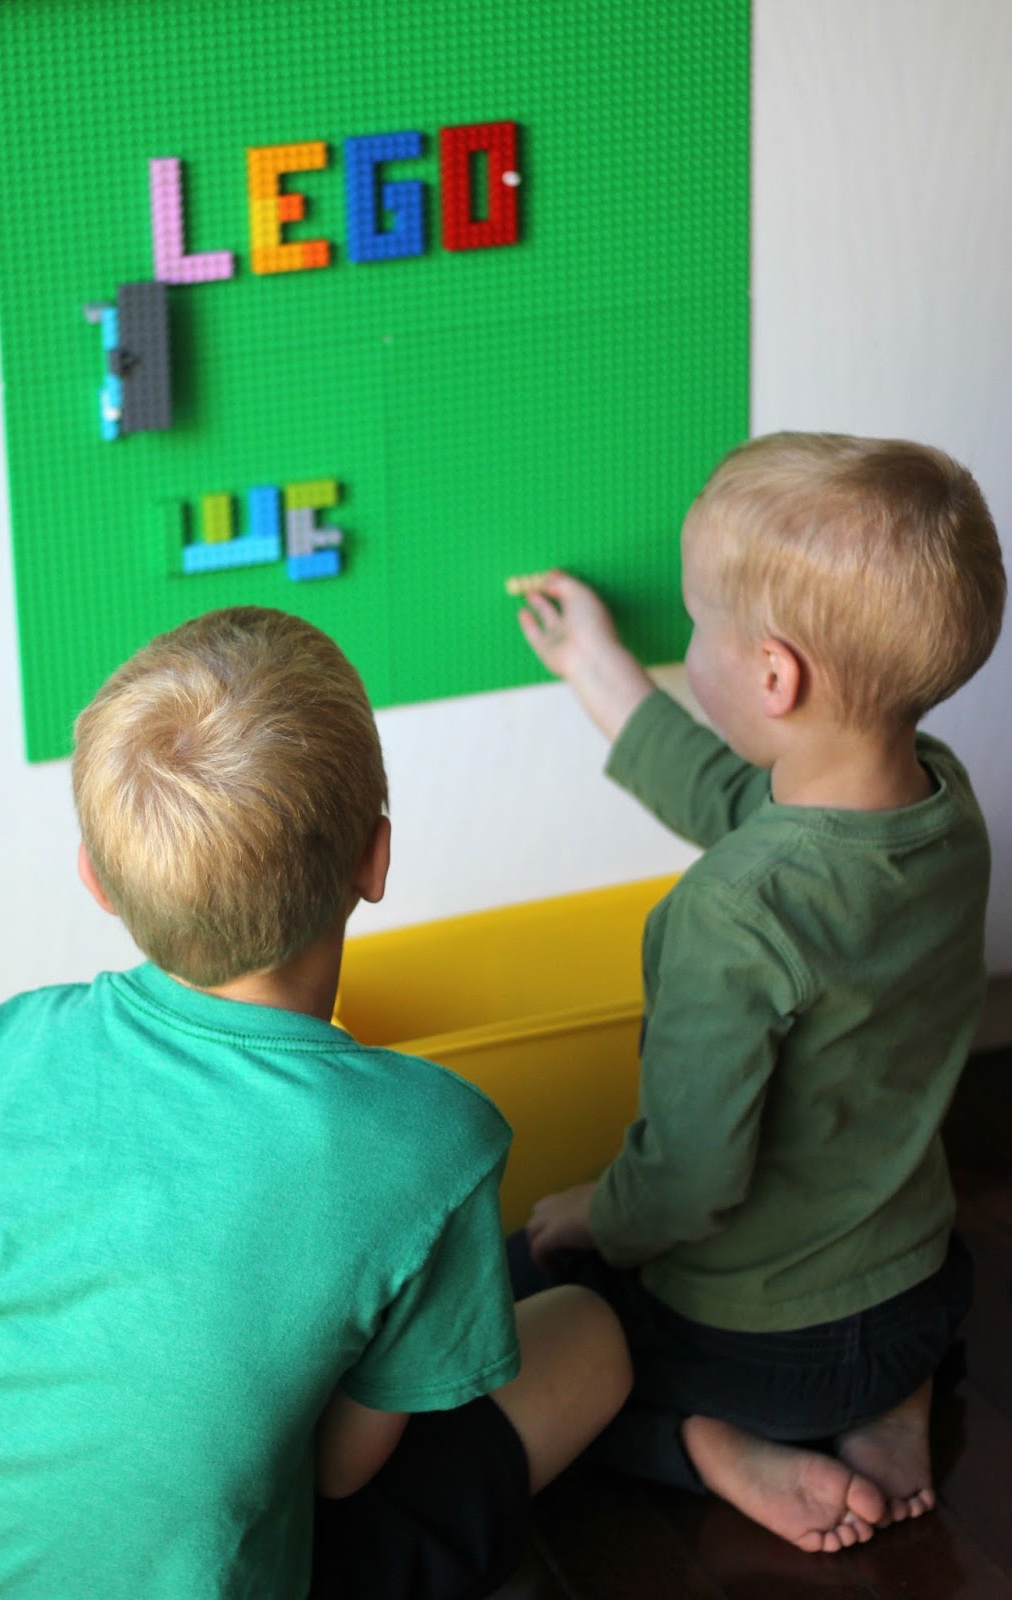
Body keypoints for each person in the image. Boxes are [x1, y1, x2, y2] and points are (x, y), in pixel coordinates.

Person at [0, 606, 631, 1600]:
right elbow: (340, 1470)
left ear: (97, 880)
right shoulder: (436, 1137)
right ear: (376, 856)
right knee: (591, 1336)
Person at [509, 432, 1006, 1555]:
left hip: (757, 1346)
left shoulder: (731, 914)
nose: (686, 644)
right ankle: (893, 1404)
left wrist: (591, 1207)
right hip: (921, 1295)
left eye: (695, 627)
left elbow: (684, 1182)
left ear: (774, 675)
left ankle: (705, 1446)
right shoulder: (937, 799)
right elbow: (750, 796)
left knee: (522, 1327)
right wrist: (604, 672)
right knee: (879, 1336)